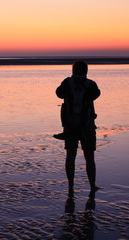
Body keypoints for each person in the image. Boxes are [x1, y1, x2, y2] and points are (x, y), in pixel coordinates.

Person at [55, 61, 101, 194]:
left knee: (70, 155)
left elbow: (59, 94)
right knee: (89, 157)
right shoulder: (91, 84)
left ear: (73, 70)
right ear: (86, 71)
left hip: (70, 125)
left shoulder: (67, 83)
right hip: (87, 124)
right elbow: (96, 95)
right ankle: (92, 186)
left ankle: (70, 186)